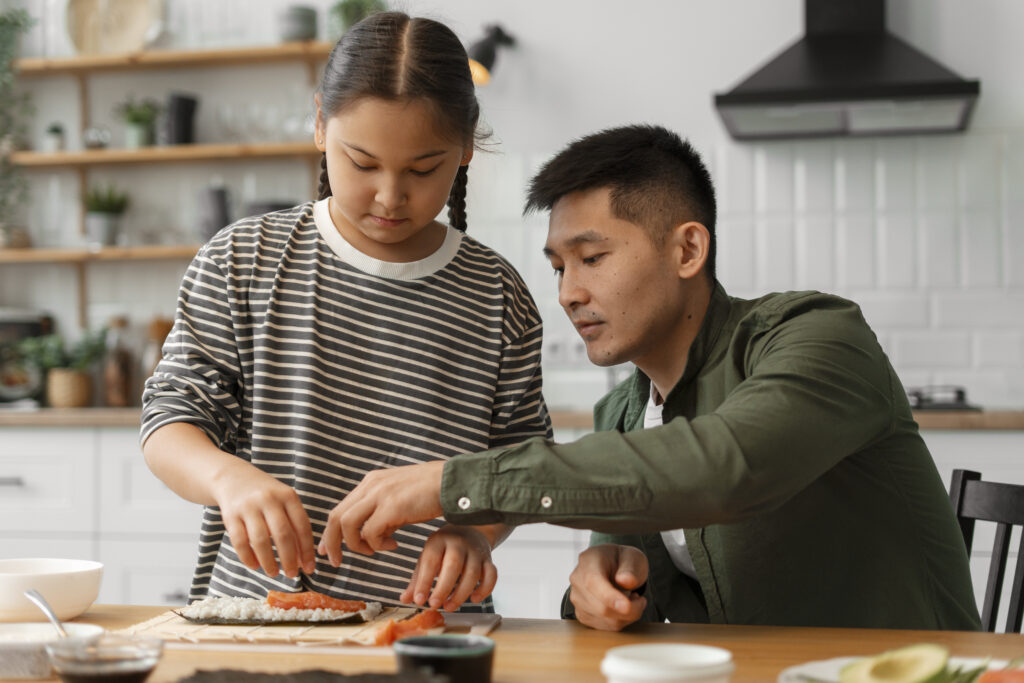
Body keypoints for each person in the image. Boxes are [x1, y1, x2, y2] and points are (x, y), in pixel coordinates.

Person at [317, 124, 982, 631]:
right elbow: (616, 601)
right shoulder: (626, 413)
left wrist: (451, 482)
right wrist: (594, 586)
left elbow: (725, 465)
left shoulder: (818, 337)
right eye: (558, 267)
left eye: (593, 257)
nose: (571, 292)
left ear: (687, 248)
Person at [141, 12, 551, 613]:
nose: (389, 195)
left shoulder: (496, 294)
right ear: (318, 125)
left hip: (433, 631)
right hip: (259, 625)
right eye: (362, 163)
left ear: (466, 147)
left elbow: (523, 465)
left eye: (422, 169)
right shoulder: (241, 260)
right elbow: (169, 425)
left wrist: (474, 533)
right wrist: (227, 479)